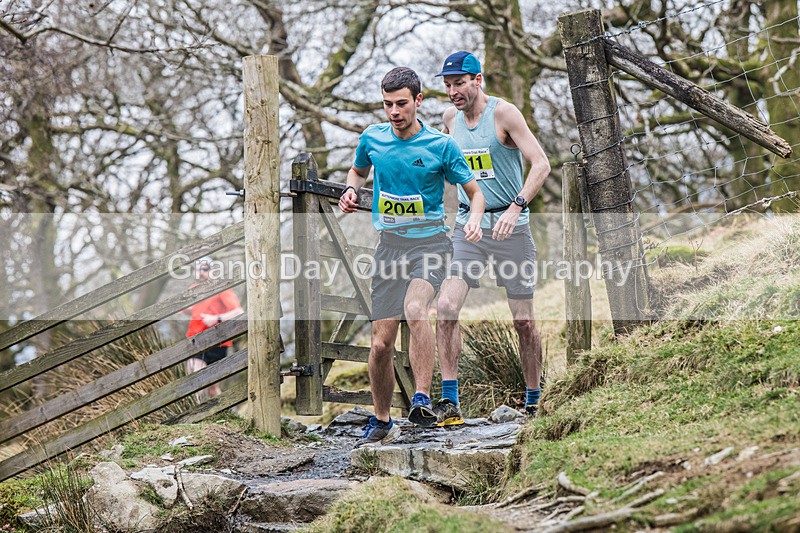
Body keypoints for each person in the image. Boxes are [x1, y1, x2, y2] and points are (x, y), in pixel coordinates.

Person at [338, 67, 485, 447]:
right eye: (387, 104)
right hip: (390, 247)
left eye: (401, 103)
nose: (394, 112)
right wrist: (350, 192)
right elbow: (356, 172)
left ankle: (421, 398)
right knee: (380, 343)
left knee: (416, 309)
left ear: (418, 101)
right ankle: (382, 418)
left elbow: (475, 192)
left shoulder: (440, 146)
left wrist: (476, 221)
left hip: (431, 245)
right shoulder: (372, 139)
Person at [433, 51, 551, 425]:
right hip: (470, 227)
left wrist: (516, 207)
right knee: (447, 307)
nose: (453, 91)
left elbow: (542, 163)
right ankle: (449, 401)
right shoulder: (450, 119)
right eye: (448, 85)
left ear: (477, 80)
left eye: (459, 84)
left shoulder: (504, 114)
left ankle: (534, 400)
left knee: (523, 321)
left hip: (511, 226)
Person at [183, 257, 244, 399]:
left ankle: (223, 413)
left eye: (205, 269)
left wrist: (217, 318)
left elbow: (238, 312)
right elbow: (194, 309)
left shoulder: (221, 288)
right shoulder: (193, 289)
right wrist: (185, 310)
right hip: (196, 339)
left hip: (218, 341)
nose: (201, 272)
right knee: (194, 376)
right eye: (198, 269)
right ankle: (193, 414)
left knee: (212, 386)